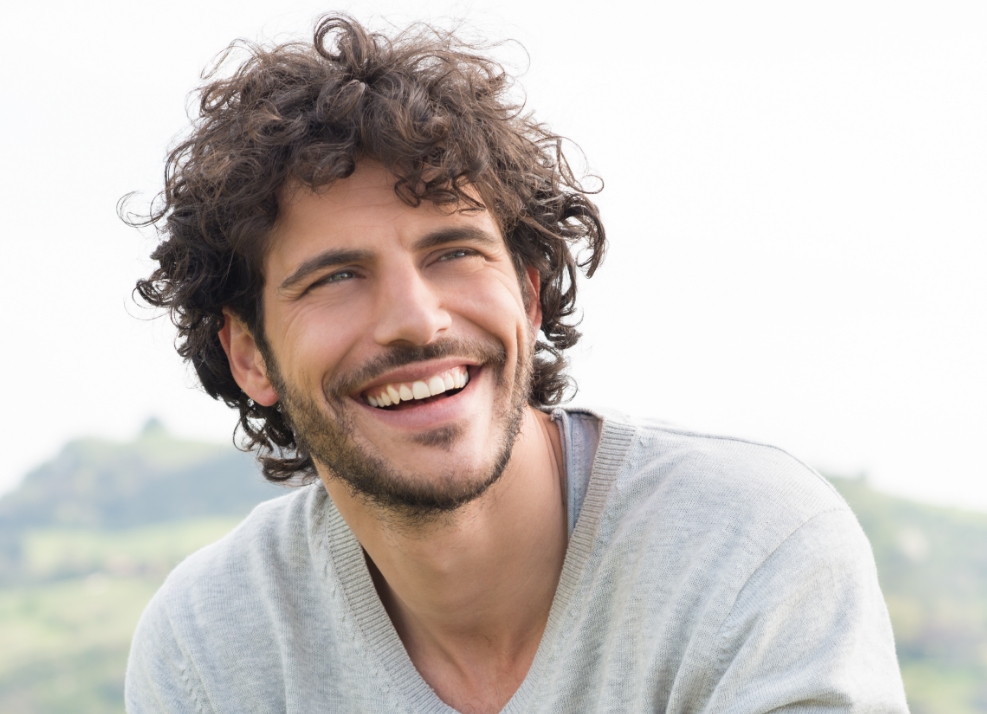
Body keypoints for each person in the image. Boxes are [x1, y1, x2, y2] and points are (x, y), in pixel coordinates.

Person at [124, 14, 909, 714]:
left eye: (454, 252)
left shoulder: (749, 550)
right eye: (336, 277)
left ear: (529, 297)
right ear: (250, 356)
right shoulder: (208, 647)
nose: (415, 321)